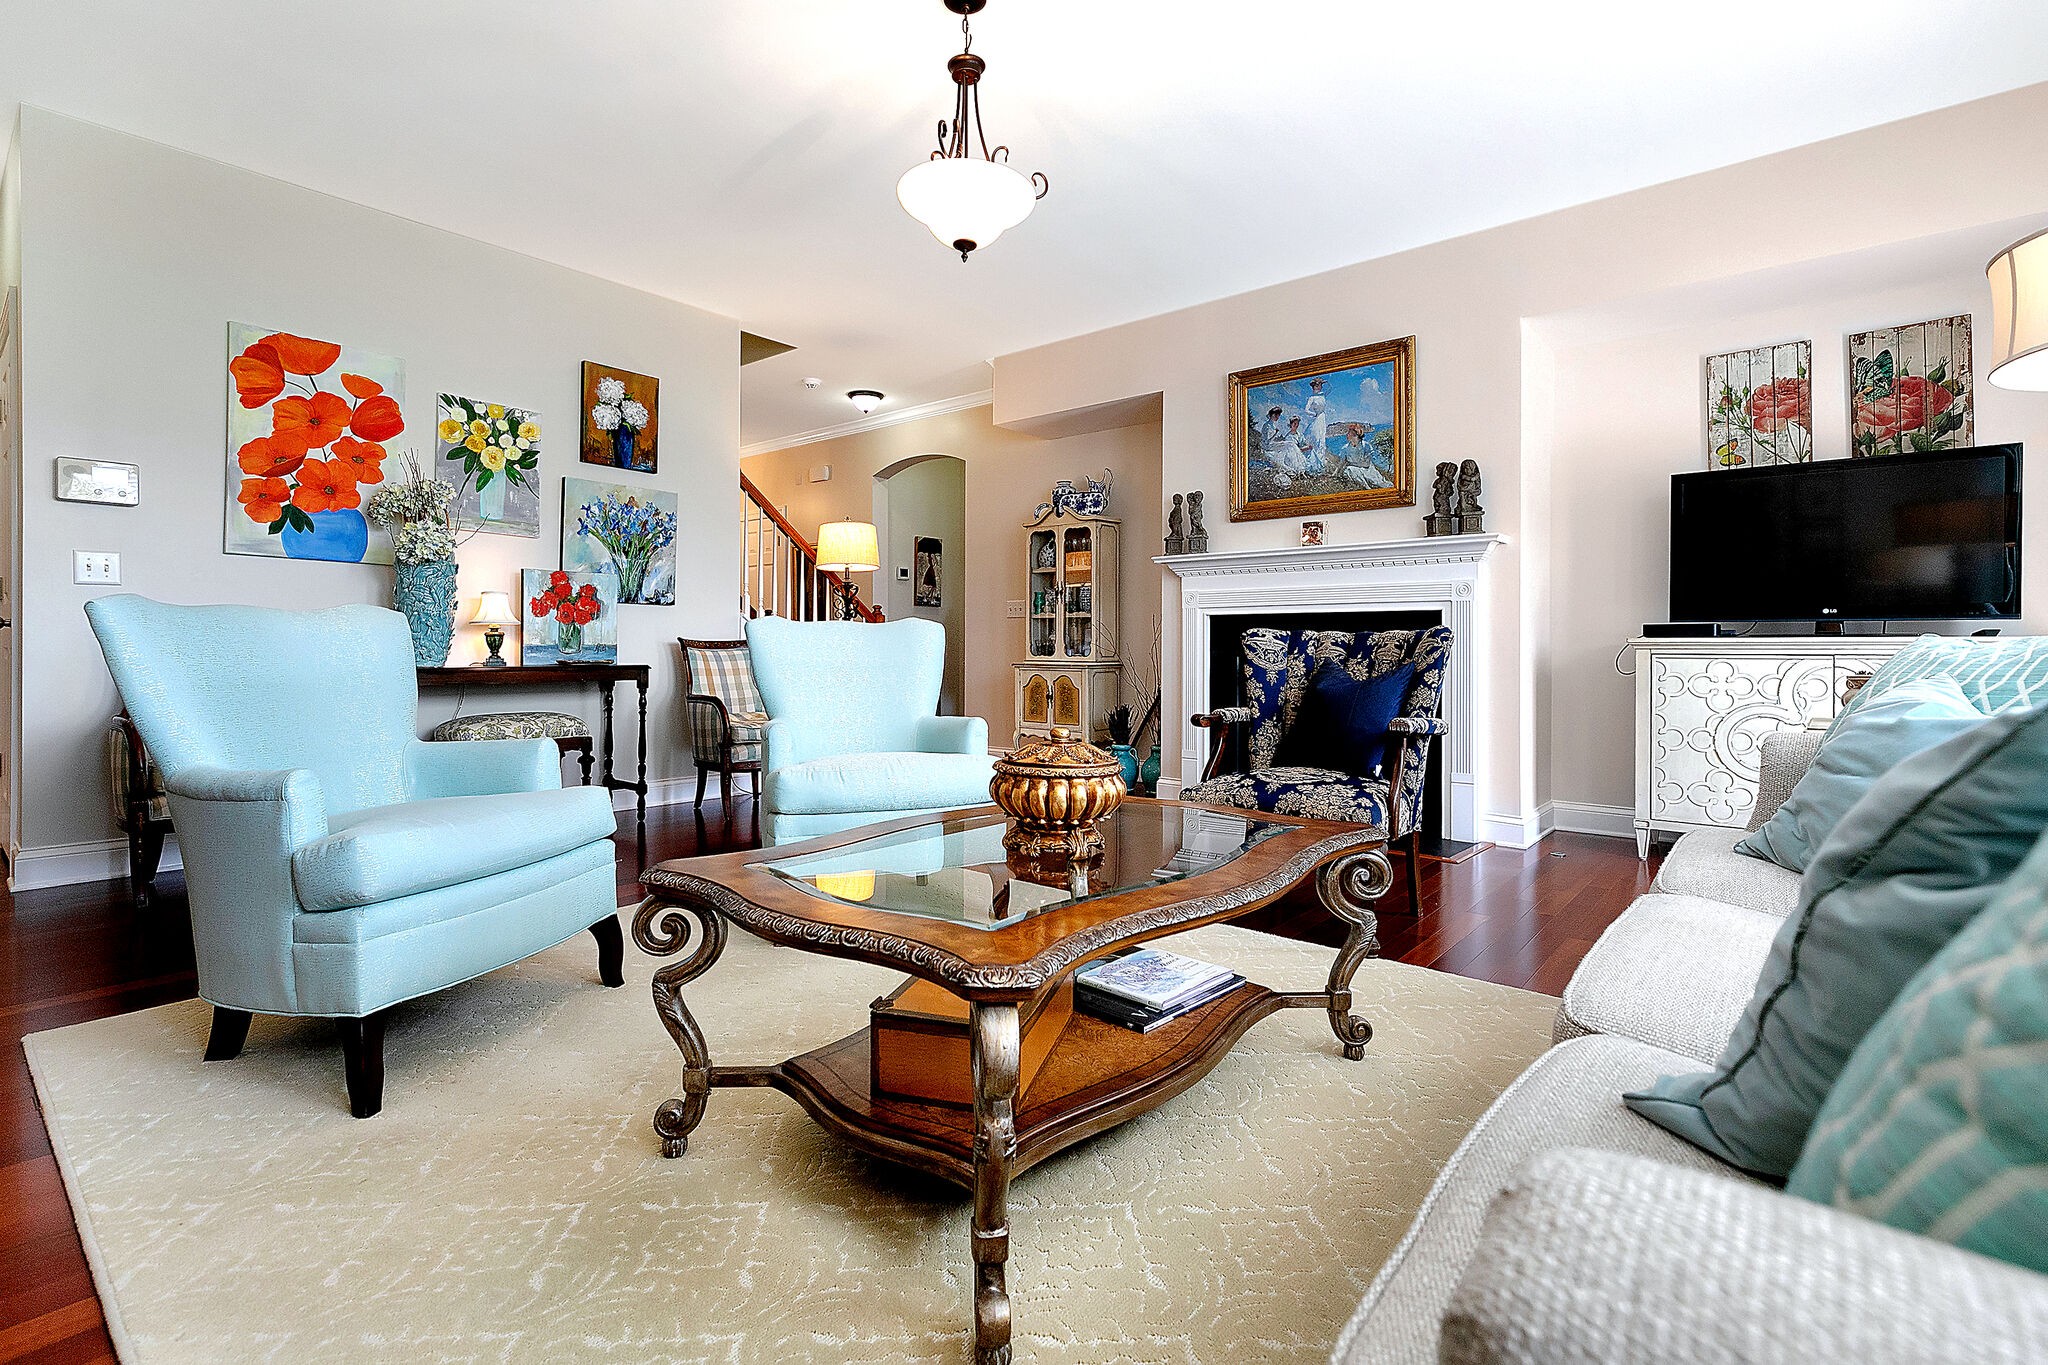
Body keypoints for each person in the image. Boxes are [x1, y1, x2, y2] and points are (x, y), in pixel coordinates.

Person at [1304, 378, 1330, 475]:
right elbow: (1306, 410)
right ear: (1314, 386)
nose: (1320, 387)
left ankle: (1321, 464)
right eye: (1318, 385)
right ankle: (1316, 465)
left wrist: (1325, 381)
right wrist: (1313, 414)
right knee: (1317, 439)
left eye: (1320, 385)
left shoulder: (1322, 394)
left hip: (1323, 418)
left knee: (1322, 439)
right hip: (1317, 417)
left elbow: (1330, 388)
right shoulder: (1312, 398)